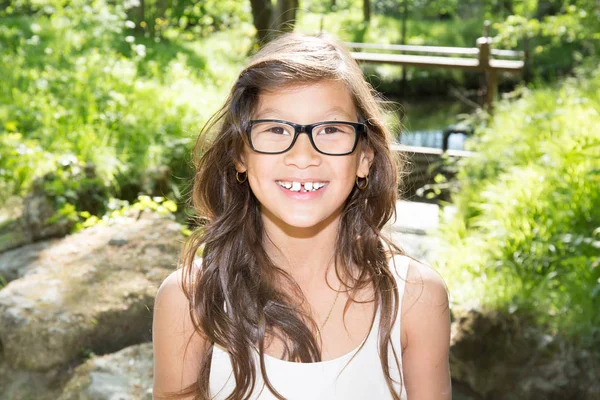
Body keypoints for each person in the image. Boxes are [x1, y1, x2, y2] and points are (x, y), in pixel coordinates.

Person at [152, 32, 451, 400]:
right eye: (276, 129)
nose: (304, 156)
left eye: (330, 129)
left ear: (364, 158)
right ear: (239, 155)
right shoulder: (190, 301)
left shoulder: (416, 299)